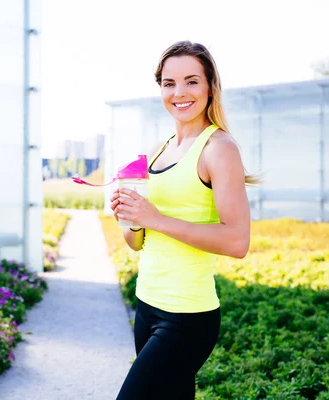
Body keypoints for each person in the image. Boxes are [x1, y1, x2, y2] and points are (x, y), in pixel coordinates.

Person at [111, 41, 258, 400]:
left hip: (186, 316)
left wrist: (156, 218)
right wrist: (130, 218)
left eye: (192, 81)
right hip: (147, 304)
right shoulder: (160, 149)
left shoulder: (219, 149)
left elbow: (237, 242)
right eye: (169, 83)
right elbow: (138, 242)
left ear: (210, 87)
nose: (180, 93)